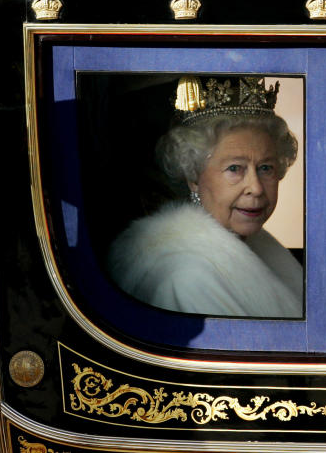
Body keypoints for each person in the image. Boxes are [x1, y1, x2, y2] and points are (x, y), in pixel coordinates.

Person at [107, 76, 304, 318]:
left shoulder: (265, 251)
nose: (256, 188)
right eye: (235, 168)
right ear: (193, 176)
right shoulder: (186, 281)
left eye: (266, 168)